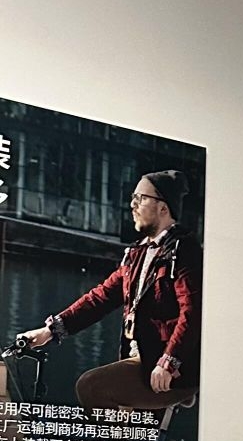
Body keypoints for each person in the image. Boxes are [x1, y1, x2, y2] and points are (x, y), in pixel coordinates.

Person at [19, 169, 201, 411]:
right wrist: (50, 331)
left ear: (163, 208)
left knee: (91, 386)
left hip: (167, 368)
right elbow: (101, 298)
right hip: (141, 360)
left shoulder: (183, 250)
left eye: (141, 198)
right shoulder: (137, 253)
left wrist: (169, 361)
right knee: (125, 421)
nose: (132, 205)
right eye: (133, 198)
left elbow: (192, 311)